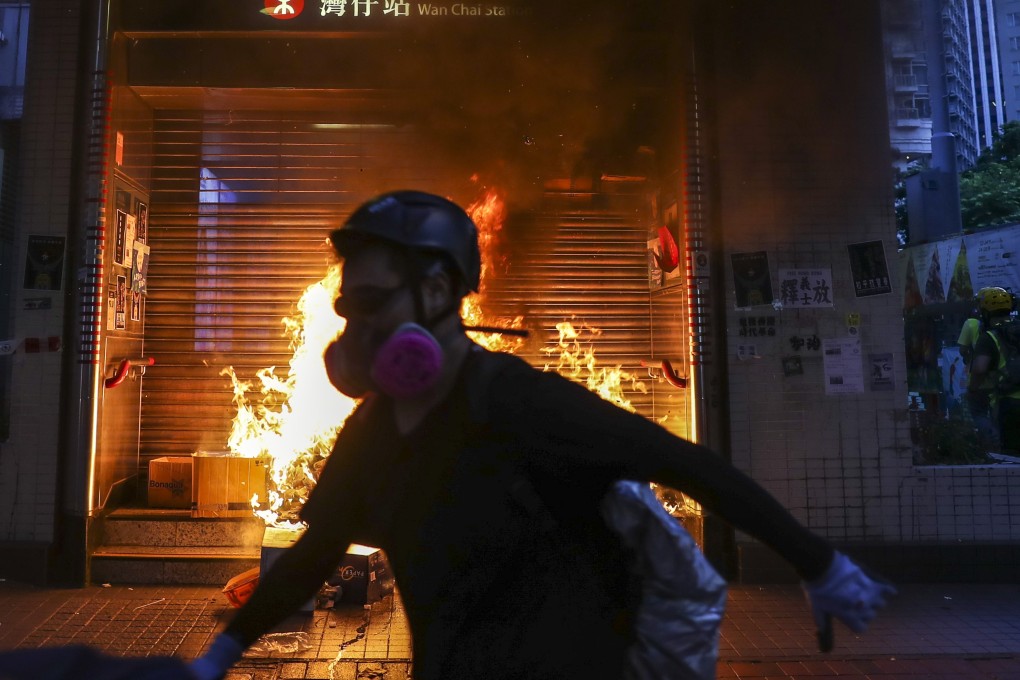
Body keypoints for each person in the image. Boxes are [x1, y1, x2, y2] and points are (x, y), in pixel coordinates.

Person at [190, 190, 894, 680]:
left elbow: (682, 462)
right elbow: (314, 555)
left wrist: (817, 563)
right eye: (348, 308)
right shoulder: (374, 426)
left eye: (373, 304)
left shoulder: (522, 404)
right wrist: (217, 660)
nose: (353, 329)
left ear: (438, 295)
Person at [967, 286, 1020, 455]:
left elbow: (980, 368)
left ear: (985, 313)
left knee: (1012, 455)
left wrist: (973, 389)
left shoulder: (989, 337)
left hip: (1009, 403)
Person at [958, 291, 998, 446]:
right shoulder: (1006, 325)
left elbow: (962, 350)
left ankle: (991, 446)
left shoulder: (971, 323)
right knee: (997, 415)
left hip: (978, 382)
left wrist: (971, 358)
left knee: (979, 414)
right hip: (1002, 381)